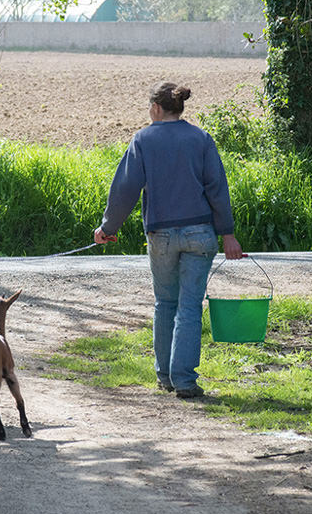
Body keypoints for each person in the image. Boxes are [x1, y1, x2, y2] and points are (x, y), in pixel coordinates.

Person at [94, 81, 244, 399]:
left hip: (160, 235)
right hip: (200, 234)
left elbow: (125, 190)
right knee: (189, 307)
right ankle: (185, 381)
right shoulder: (201, 139)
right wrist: (227, 234)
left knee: (165, 303)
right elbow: (218, 189)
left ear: (156, 108)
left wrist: (108, 228)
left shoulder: (143, 139)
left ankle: (165, 376)